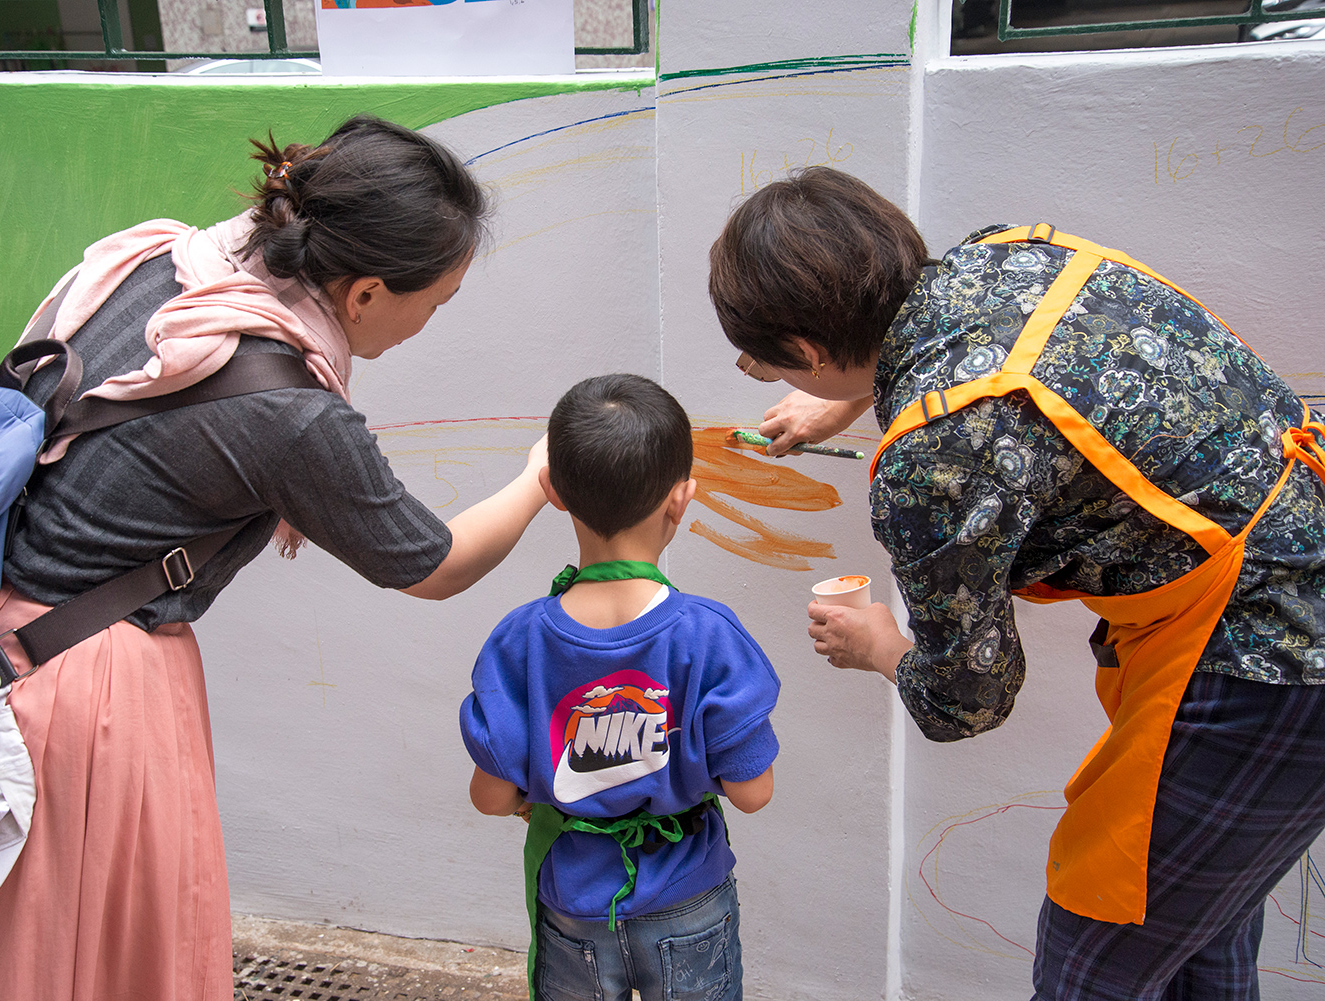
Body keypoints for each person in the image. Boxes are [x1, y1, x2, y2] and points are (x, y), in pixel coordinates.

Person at [0, 115, 551, 1001]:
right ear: (364, 293)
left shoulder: (160, 261)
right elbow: (435, 563)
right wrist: (539, 477)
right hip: (81, 695)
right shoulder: (292, 410)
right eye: (437, 302)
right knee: (84, 963)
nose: (430, 322)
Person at [707, 166, 1325, 1000]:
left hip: (1274, 654)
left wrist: (881, 645)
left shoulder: (930, 461)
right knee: (1197, 939)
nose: (756, 368)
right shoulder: (1002, 252)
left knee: (1095, 961)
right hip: (1298, 571)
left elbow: (970, 698)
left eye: (761, 358)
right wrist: (848, 399)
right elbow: (999, 368)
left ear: (810, 352)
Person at [459, 374, 780, 1001]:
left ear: (553, 492)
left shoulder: (518, 640)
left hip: (572, 904)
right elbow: (754, 792)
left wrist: (549, 794)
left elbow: (490, 798)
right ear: (681, 499)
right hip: (689, 900)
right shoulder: (710, 636)